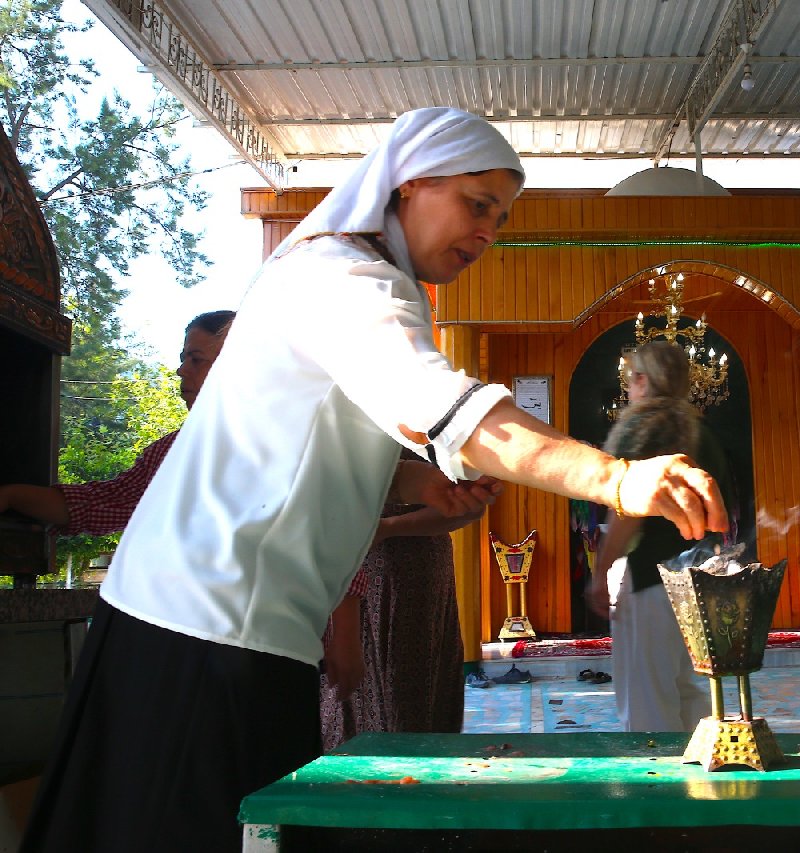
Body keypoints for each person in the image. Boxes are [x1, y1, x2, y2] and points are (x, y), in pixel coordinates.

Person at [20, 107, 726, 853]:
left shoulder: (363, 278)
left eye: (501, 217)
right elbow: (449, 406)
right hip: (199, 627)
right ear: (407, 184)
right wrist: (614, 476)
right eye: (476, 204)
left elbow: (303, 446)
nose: (488, 231)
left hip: (238, 628)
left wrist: (414, 487)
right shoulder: (342, 277)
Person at [588, 340, 733, 732]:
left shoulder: (643, 427)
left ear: (642, 380)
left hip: (650, 579)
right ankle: (702, 777)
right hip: (700, 579)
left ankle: (652, 786)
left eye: (633, 378)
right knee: (687, 686)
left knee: (645, 696)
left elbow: (626, 513)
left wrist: (600, 573)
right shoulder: (701, 432)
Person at [0, 310, 235, 532]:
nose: (181, 371)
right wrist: (11, 495)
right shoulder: (171, 451)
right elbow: (103, 502)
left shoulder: (269, 442)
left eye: (196, 360)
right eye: (184, 359)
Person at [319, 448, 492, 749]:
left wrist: (387, 528)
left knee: (408, 691)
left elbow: (472, 505)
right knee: (346, 694)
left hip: (413, 571)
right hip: (353, 565)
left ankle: (412, 778)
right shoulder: (341, 429)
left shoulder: (433, 426)